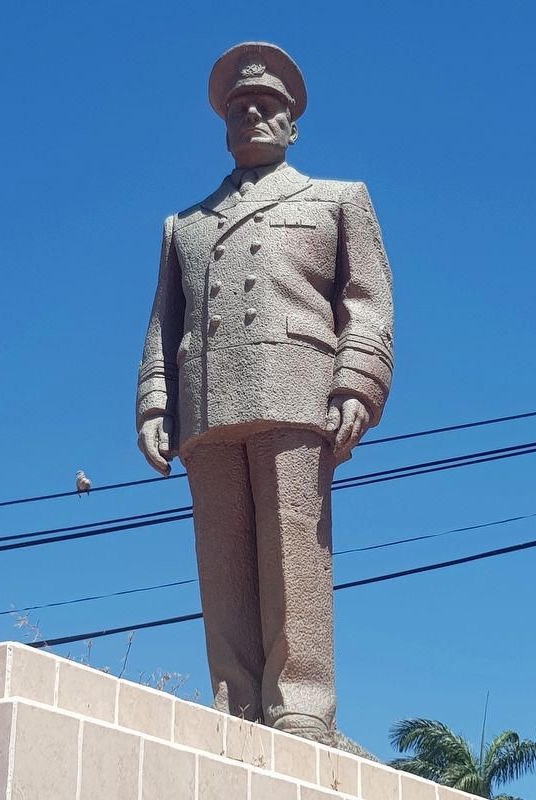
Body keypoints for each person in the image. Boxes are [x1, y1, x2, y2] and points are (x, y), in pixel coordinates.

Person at [136, 41, 393, 743]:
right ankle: (238, 703)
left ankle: (302, 704)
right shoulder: (183, 225)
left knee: (294, 549)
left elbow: (367, 303)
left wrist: (355, 385)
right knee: (222, 558)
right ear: (224, 124)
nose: (253, 112)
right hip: (208, 398)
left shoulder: (337, 200)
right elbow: (165, 321)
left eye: (268, 105)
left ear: (291, 123)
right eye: (240, 106)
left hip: (297, 390)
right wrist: (156, 400)